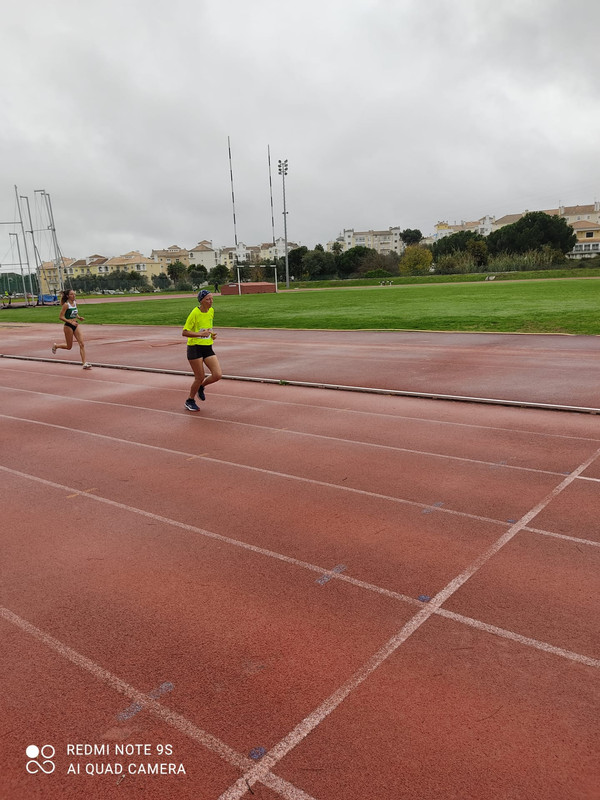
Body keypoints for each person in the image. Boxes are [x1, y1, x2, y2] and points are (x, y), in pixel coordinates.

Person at [182, 289, 222, 411]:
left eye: (212, 299)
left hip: (207, 347)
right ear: (201, 301)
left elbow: (206, 329)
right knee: (199, 377)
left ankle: (201, 387)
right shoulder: (194, 313)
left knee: (217, 375)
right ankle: (190, 400)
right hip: (195, 348)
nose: (211, 301)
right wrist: (200, 335)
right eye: (208, 299)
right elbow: (184, 332)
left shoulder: (211, 311)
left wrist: (211, 334)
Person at [52, 289, 92, 369]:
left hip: (75, 325)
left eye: (74, 294)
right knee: (69, 347)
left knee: (82, 344)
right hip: (68, 326)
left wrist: (79, 317)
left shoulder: (74, 303)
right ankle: (56, 346)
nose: (74, 296)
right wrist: (70, 322)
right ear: (68, 296)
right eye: (72, 294)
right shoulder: (66, 305)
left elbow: (75, 312)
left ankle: (84, 363)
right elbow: (61, 317)